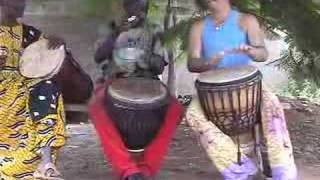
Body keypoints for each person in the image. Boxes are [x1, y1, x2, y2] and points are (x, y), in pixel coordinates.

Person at [186, 0, 297, 179]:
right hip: (211, 90)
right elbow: (192, 63)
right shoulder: (198, 26)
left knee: (272, 106)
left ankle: (281, 168)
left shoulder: (246, 20)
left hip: (249, 84)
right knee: (193, 115)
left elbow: (262, 54)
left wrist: (251, 50)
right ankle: (243, 172)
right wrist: (208, 63)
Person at [89, 1, 183, 180]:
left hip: (148, 82)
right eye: (134, 4)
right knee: (96, 108)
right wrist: (117, 32)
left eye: (143, 6)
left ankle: (147, 169)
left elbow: (159, 67)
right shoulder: (110, 28)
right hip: (115, 81)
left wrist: (145, 56)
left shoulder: (154, 31)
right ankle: (128, 170)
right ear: (125, 6)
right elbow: (98, 56)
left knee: (176, 109)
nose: (139, 10)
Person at [0, 0, 67, 179]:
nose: (22, 4)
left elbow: (46, 56)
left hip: (22, 86)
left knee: (46, 88)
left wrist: (56, 45)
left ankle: (45, 162)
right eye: (16, 1)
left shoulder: (30, 34)